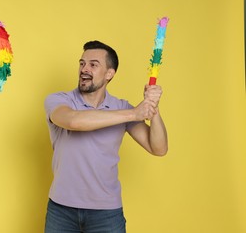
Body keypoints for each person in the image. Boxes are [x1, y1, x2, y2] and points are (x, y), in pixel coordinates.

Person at [44, 40, 168, 233]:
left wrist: (153, 108)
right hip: (61, 210)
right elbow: (73, 122)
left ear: (110, 74)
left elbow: (158, 148)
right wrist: (135, 113)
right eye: (82, 63)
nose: (84, 69)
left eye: (93, 65)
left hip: (106, 214)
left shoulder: (122, 108)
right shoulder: (59, 100)